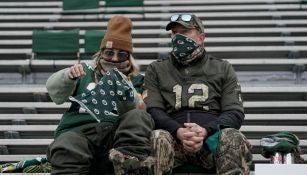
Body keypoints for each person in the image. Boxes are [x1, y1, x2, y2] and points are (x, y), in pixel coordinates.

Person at [144, 14, 252, 175]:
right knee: (157, 137)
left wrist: (205, 131)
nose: (178, 37)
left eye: (185, 32)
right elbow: (153, 110)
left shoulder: (222, 68)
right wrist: (179, 131)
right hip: (173, 141)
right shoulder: (156, 69)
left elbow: (234, 112)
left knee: (232, 136)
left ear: (201, 37)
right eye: (174, 33)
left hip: (211, 141)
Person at [46, 16, 154, 175]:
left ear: (129, 57)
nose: (115, 59)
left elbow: (142, 110)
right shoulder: (85, 71)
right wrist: (68, 76)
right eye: (109, 53)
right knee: (69, 142)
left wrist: (125, 88)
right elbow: (55, 92)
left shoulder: (138, 80)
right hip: (80, 135)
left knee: (137, 117)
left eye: (122, 55)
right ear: (101, 53)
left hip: (116, 139)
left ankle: (128, 162)